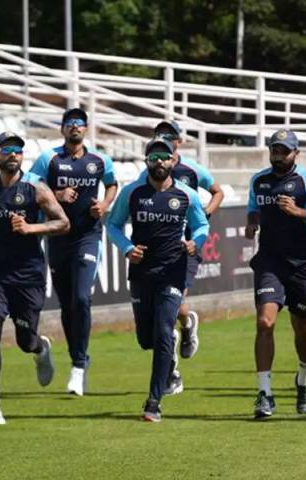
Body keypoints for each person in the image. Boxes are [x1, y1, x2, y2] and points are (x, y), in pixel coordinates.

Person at [0, 132, 70, 425]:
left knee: (25, 340)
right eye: (7, 149)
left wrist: (31, 229)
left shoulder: (36, 189)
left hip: (28, 274)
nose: (13, 154)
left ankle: (41, 348)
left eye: (18, 150)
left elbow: (64, 222)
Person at [106, 137, 209, 422]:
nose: (160, 162)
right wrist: (127, 248)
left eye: (165, 157)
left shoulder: (187, 195)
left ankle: (154, 401)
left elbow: (201, 225)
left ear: (173, 160)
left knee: (163, 332)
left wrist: (195, 242)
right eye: (154, 157)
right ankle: (168, 342)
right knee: (146, 339)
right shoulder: (132, 193)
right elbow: (112, 225)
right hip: (141, 273)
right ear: (146, 161)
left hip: (172, 271)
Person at [245, 129, 306, 419]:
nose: (279, 155)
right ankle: (264, 393)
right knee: (265, 322)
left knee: (303, 328)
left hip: (302, 264)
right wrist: (252, 222)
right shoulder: (259, 180)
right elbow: (252, 208)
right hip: (269, 261)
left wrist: (299, 213)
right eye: (275, 150)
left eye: (285, 151)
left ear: (296, 153)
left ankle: (304, 380)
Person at [30, 107, 118, 396]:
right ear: (62, 129)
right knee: (67, 304)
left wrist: (104, 206)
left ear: (86, 129)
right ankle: (76, 358)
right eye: (70, 124)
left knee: (82, 298)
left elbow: (112, 184)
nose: (75, 128)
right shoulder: (50, 158)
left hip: (88, 236)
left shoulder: (99, 159)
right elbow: (29, 185)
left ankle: (79, 366)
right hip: (57, 238)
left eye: (80, 124)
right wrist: (55, 195)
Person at [143, 120, 225, 395]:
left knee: (172, 303)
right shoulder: (150, 171)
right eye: (161, 134)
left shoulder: (191, 170)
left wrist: (205, 215)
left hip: (186, 246)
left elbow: (218, 191)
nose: (165, 139)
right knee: (167, 311)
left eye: (171, 135)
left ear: (179, 141)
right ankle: (186, 325)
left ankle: (171, 373)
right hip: (156, 251)